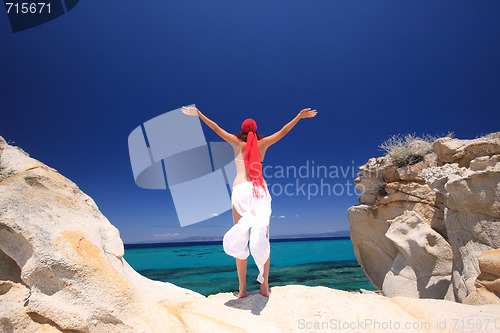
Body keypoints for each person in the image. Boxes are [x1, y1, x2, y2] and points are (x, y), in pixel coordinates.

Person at [182, 106, 317, 297]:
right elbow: (284, 131)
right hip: (260, 191)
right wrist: (299, 116)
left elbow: (215, 128)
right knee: (263, 239)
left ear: (243, 129)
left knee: (240, 239)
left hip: (241, 191)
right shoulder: (263, 143)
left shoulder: (236, 142)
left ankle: (243, 289)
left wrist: (199, 114)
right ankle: (264, 286)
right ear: (255, 129)